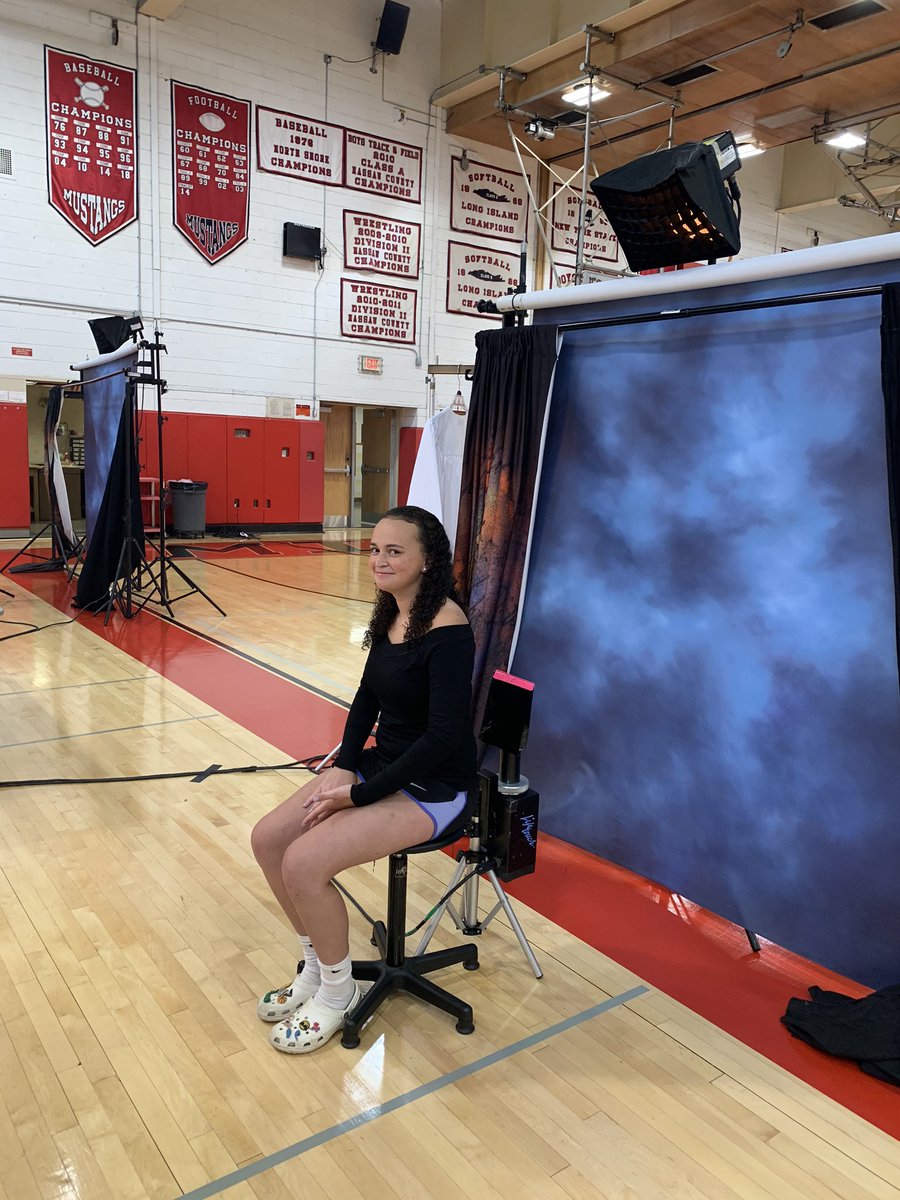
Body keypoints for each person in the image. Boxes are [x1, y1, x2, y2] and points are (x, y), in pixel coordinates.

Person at [251, 505, 477, 1054]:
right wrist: (346, 763)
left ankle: (336, 993)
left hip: (435, 786)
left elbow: (442, 739)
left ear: (428, 561)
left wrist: (357, 796)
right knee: (270, 839)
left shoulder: (448, 629)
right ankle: (316, 966)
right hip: (381, 766)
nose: (379, 560)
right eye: (375, 549)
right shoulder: (391, 612)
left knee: (305, 862)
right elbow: (366, 697)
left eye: (394, 551)